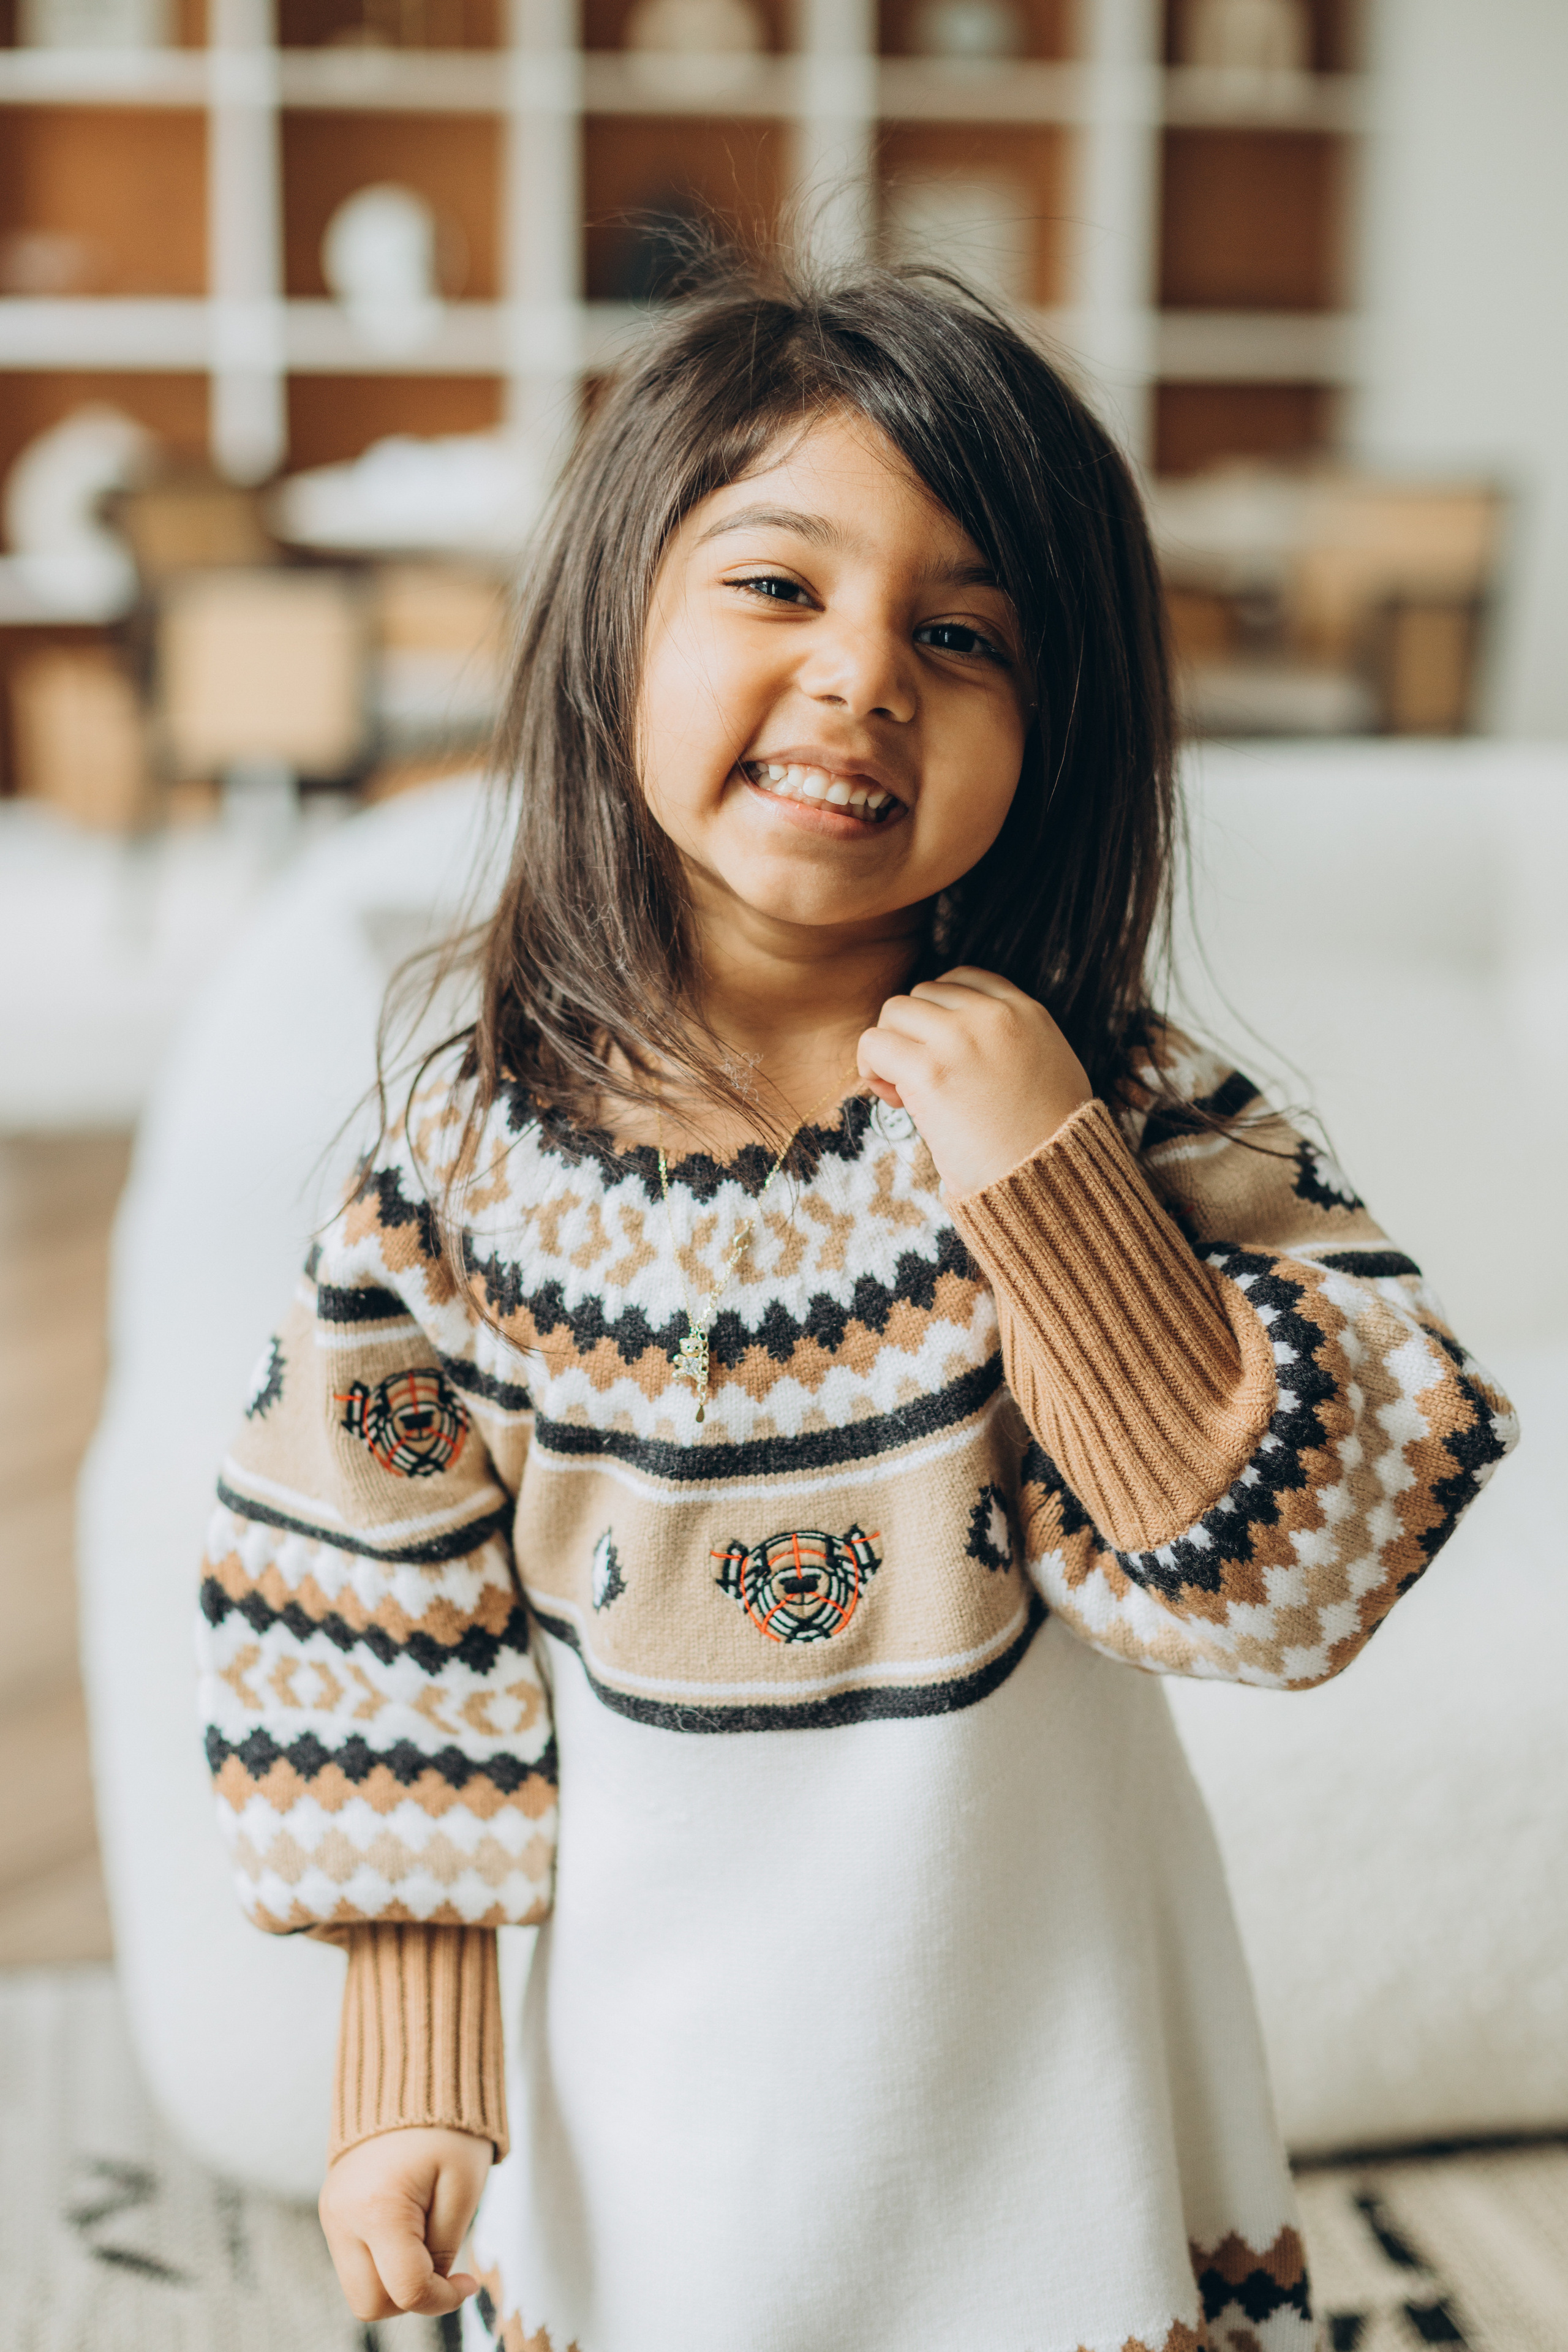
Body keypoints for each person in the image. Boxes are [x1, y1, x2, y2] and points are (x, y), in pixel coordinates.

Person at [197, 260, 1518, 2352]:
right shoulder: (456, 1178)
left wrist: (1045, 1178)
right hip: (666, 2063)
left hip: (1042, 2028)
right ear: (617, 622)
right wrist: (407, 2075)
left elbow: (1294, 1581)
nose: (863, 679)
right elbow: (367, 1621)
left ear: (1061, 724)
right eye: (780, 588)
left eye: (962, 632)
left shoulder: (1125, 1111)